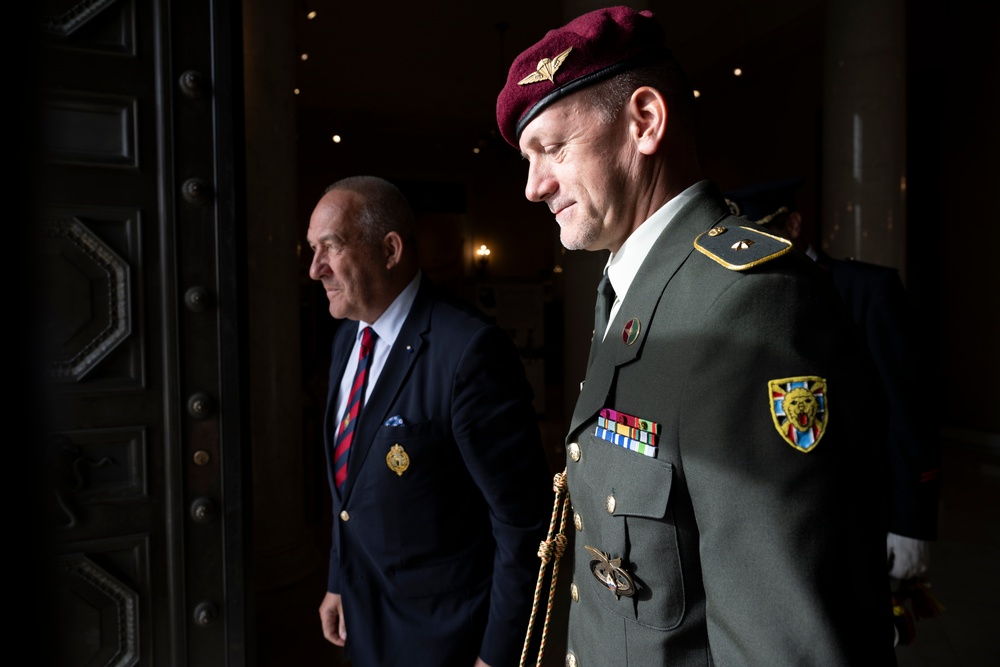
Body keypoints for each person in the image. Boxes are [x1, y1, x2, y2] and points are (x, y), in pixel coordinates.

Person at [497, 6, 896, 665]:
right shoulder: (628, 287)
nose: (534, 186)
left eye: (553, 148)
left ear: (645, 121)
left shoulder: (746, 304)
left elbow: (784, 641)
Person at [307, 175, 551, 667]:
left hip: (448, 640)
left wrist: (498, 654)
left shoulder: (468, 351)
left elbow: (522, 523)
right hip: (364, 619)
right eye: (312, 249)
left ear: (390, 249)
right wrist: (338, 580)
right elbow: (350, 489)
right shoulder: (346, 340)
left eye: (329, 248)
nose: (315, 270)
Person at [725, 179, 942, 638]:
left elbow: (906, 411)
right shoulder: (736, 298)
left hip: (858, 512)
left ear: (794, 223)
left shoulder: (866, 289)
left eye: (763, 230)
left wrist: (910, 522)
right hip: (776, 522)